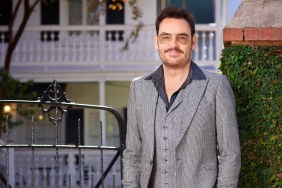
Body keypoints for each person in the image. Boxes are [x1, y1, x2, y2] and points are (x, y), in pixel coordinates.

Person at [122, 7, 241, 188]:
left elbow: (230, 153)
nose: (173, 44)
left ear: (193, 42)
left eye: (182, 37)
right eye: (166, 37)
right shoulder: (139, 88)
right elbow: (132, 154)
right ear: (157, 41)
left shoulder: (216, 86)